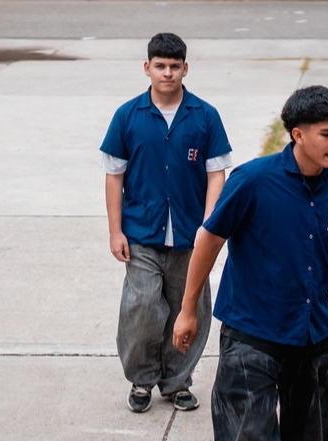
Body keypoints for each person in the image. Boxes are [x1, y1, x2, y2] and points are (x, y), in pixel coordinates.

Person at [173, 85, 328, 441]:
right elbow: (208, 238)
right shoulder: (252, 181)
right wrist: (188, 308)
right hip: (253, 327)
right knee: (248, 431)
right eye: (327, 134)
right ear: (296, 134)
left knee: (310, 427)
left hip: (312, 328)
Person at [100, 32, 233, 413]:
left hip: (191, 237)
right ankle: (141, 380)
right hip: (141, 233)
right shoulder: (128, 116)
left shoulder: (205, 116)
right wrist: (115, 230)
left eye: (175, 66)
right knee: (141, 307)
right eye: (160, 66)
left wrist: (210, 226)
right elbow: (113, 175)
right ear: (147, 69)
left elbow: (216, 175)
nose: (168, 73)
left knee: (187, 308)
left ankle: (177, 382)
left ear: (185, 69)